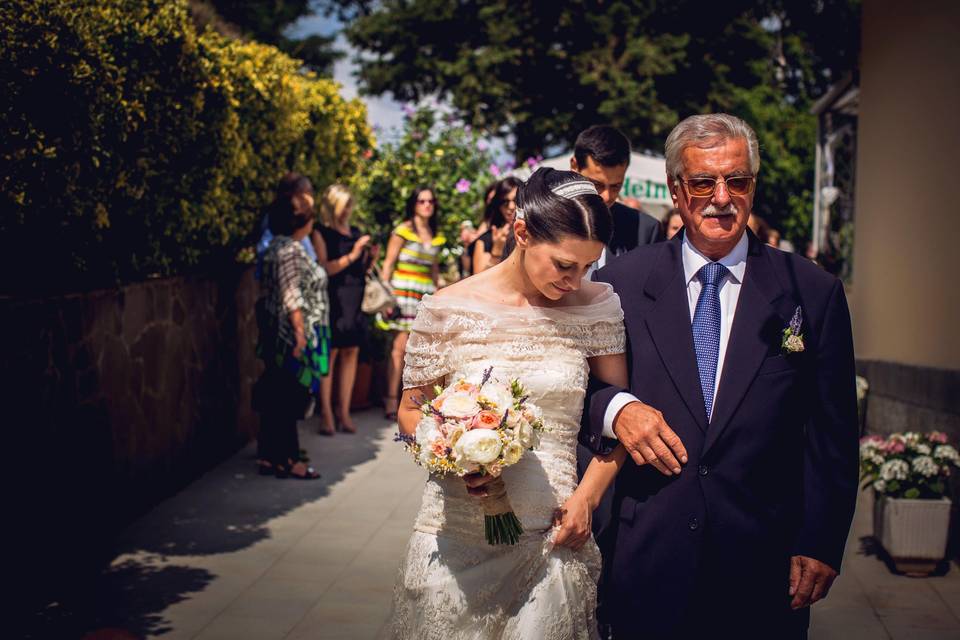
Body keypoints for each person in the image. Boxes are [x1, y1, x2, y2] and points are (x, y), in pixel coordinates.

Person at [581, 113, 859, 638]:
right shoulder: (619, 284)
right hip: (648, 556)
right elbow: (581, 391)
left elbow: (833, 434)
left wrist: (821, 541)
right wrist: (618, 410)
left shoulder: (811, 292)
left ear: (753, 185)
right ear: (676, 189)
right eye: (704, 182)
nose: (721, 197)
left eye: (737, 181)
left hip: (764, 564)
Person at [390, 168, 629, 639]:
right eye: (564, 265)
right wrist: (452, 448)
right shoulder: (446, 308)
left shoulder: (597, 307)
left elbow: (617, 418)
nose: (574, 280)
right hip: (455, 536)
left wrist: (588, 496)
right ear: (522, 231)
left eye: (586, 266)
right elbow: (409, 410)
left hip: (554, 538)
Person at [254, 173, 328, 480]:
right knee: (288, 398)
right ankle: (290, 461)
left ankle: (270, 457)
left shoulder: (275, 248)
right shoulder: (291, 251)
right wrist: (299, 335)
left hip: (275, 332)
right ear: (301, 223)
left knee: (275, 396)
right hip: (289, 336)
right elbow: (292, 295)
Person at [313, 184, 376, 435]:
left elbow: (361, 271)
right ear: (333, 205)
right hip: (334, 298)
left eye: (350, 204)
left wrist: (368, 258)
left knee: (351, 354)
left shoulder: (355, 231)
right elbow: (325, 268)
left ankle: (344, 411)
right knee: (331, 355)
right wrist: (353, 254)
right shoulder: (321, 232)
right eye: (344, 205)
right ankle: (327, 413)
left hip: (355, 297)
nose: (348, 209)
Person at [380, 187, 445, 420]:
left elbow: (434, 269)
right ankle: (390, 400)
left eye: (430, 201)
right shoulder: (403, 230)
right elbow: (388, 264)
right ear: (414, 204)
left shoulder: (435, 233)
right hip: (402, 293)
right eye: (421, 201)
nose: (427, 205)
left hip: (424, 295)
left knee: (421, 351)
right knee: (398, 349)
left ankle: (415, 401)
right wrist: (386, 296)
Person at [570, 125, 663, 269]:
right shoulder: (542, 218)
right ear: (575, 167)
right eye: (597, 184)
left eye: (615, 186)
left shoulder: (644, 230)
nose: (606, 197)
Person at [470, 176, 523, 274]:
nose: (511, 207)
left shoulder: (537, 232)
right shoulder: (485, 240)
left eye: (516, 200)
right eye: (504, 202)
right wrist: (496, 251)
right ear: (498, 206)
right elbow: (479, 282)